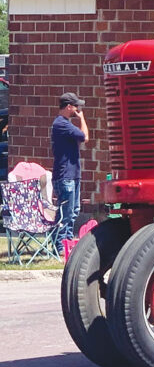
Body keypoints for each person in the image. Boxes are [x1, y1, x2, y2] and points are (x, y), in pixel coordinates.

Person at [51, 91, 89, 251]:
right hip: (65, 175)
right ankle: (59, 246)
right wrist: (82, 118)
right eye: (75, 107)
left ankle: (66, 245)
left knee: (73, 211)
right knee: (65, 214)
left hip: (72, 174)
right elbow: (85, 137)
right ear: (68, 107)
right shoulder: (61, 124)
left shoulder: (65, 124)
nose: (77, 110)